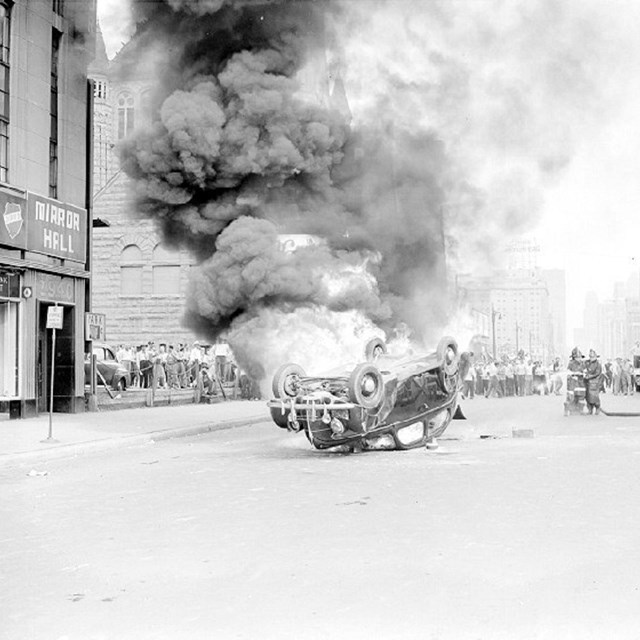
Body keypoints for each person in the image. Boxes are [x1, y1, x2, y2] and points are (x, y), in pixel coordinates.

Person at [583, 349, 603, 415]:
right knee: (587, 397)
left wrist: (589, 376)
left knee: (594, 397)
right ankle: (590, 409)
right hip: (587, 382)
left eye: (593, 355)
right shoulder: (587, 362)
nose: (591, 357)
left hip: (594, 383)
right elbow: (583, 368)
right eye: (590, 355)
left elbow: (597, 373)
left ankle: (597, 408)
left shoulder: (598, 364)